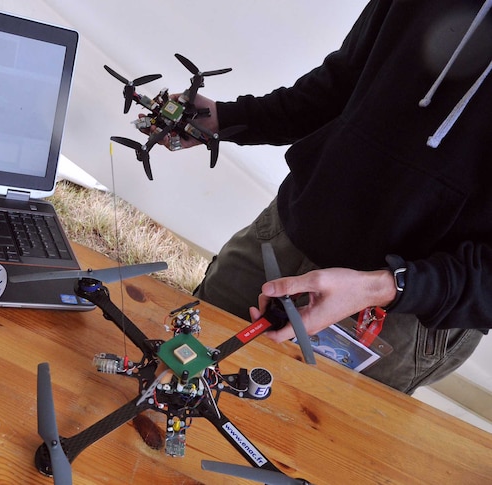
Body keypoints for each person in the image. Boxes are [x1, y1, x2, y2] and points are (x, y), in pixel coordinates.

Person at [169, 0, 491, 394]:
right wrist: (226, 117)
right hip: (287, 238)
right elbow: (344, 82)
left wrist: (384, 287)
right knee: (175, 373)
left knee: (293, 442)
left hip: (406, 309)